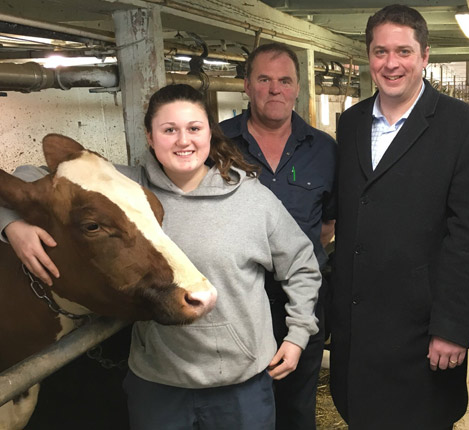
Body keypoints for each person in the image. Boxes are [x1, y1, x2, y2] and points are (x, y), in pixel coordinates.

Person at [0, 83, 321, 430]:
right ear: (150, 138)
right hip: (158, 384)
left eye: (194, 129)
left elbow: (302, 265)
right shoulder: (127, 187)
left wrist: (298, 334)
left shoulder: (253, 200)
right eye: (169, 130)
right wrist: (11, 226)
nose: (184, 141)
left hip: (239, 384)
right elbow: (28, 177)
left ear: (210, 135)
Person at [329, 4, 469, 429]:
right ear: (369, 57)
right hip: (358, 324)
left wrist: (453, 327)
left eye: (403, 51)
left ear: (424, 56)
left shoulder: (464, 127)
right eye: (380, 52)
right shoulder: (350, 123)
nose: (391, 63)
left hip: (420, 329)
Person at [219, 42, 336, 430]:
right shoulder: (215, 145)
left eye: (285, 80)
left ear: (298, 88)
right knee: (239, 411)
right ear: (247, 87)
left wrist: (294, 268)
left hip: (299, 306)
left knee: (297, 411)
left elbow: (327, 226)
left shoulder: (323, 149)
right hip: (235, 307)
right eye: (264, 79)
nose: (275, 89)